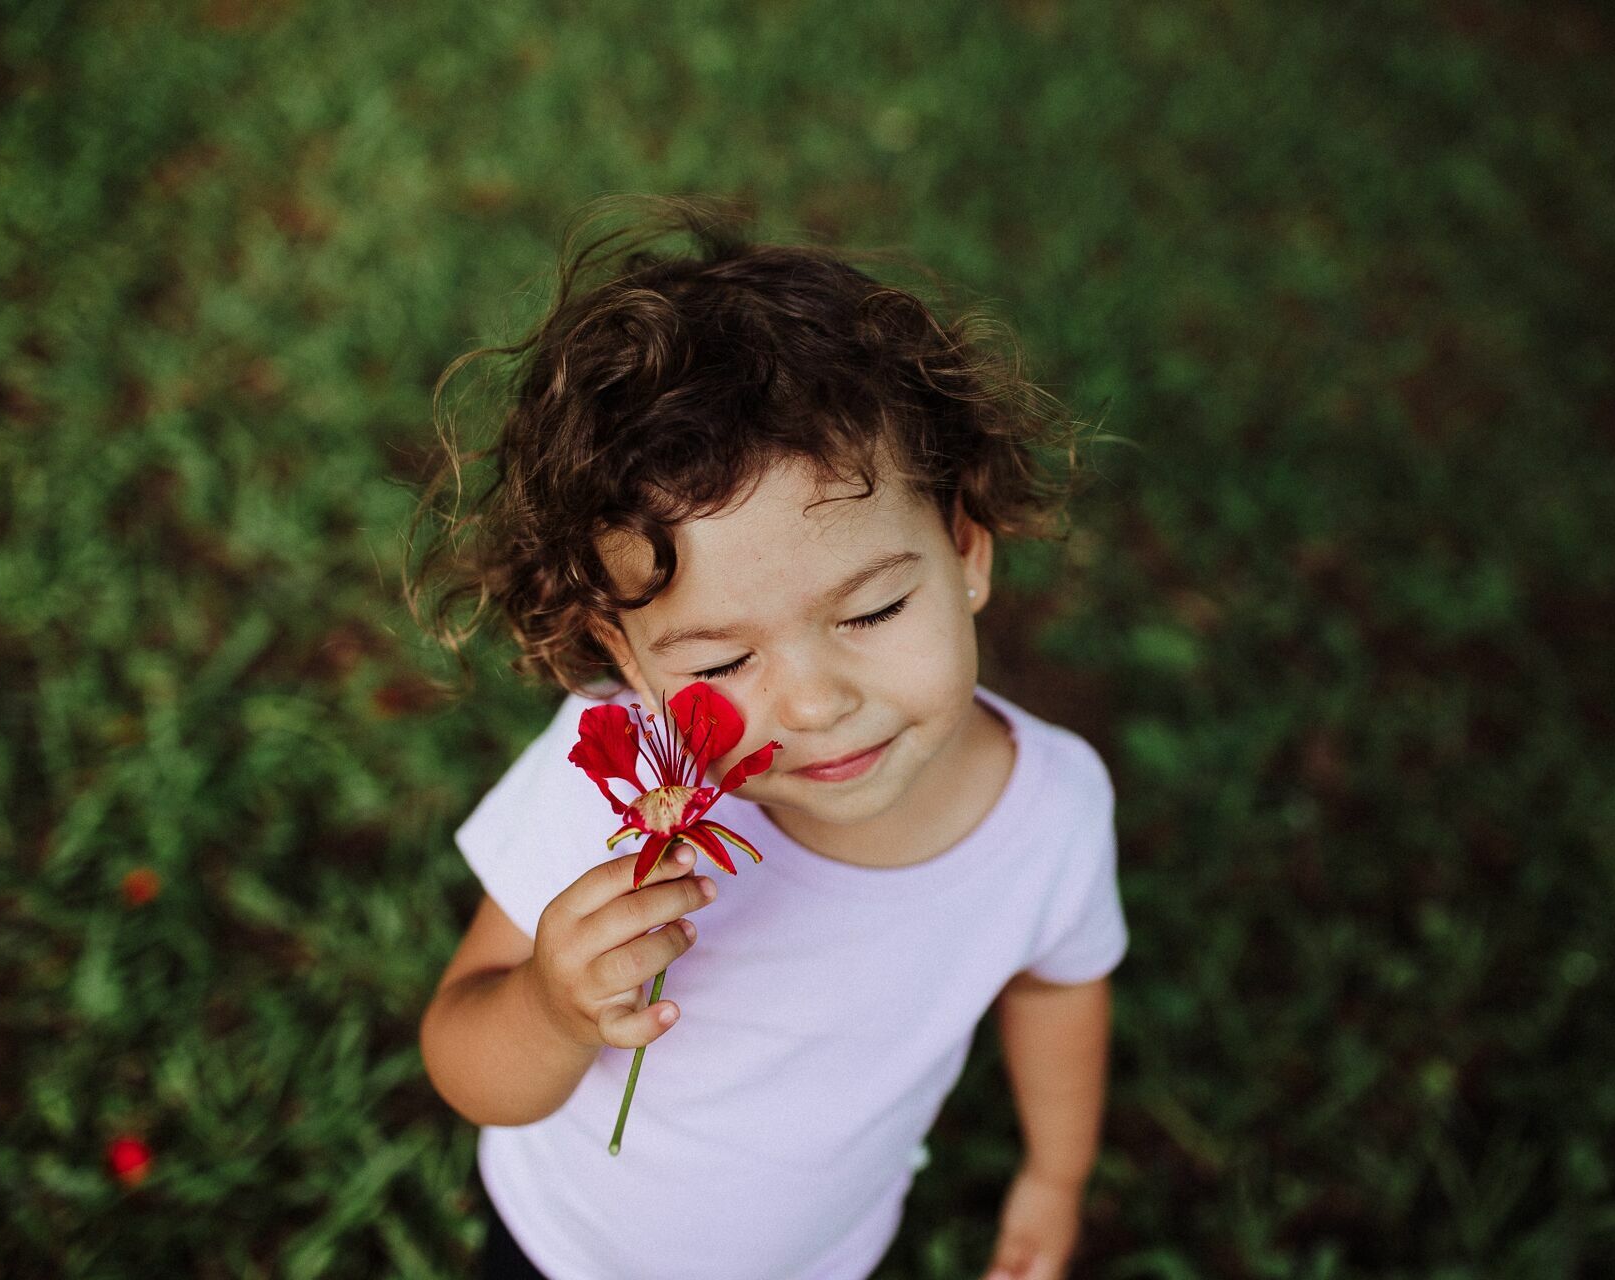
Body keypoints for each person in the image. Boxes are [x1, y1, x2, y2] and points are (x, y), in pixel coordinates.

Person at [410, 196, 1128, 1280]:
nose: (812, 703)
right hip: (568, 1251)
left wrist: (1055, 1173)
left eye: (874, 610)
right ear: (631, 655)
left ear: (966, 551)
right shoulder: (618, 778)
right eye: (717, 663)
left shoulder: (1055, 809)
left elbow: (1057, 982)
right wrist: (553, 1008)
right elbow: (467, 1060)